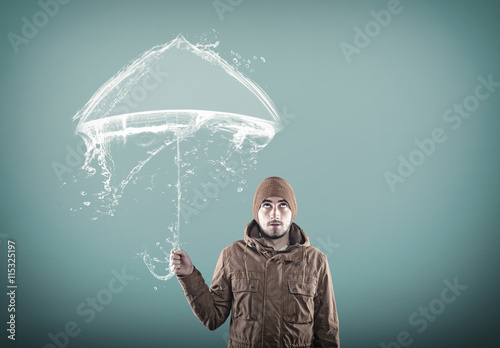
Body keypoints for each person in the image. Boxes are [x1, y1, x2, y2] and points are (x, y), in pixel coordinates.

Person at [170, 176, 340, 347]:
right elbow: (212, 318)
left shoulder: (316, 260)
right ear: (256, 212)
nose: (275, 214)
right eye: (266, 205)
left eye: (283, 205)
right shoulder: (232, 255)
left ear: (292, 212)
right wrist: (189, 275)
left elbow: (327, 331)